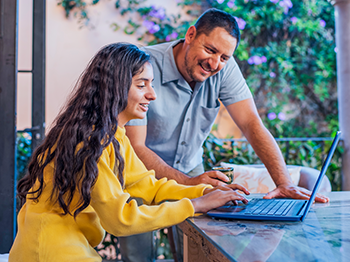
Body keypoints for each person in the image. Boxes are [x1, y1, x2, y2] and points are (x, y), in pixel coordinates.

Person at [8, 43, 250, 262]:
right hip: (49, 255)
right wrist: (195, 205)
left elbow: (149, 185)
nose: (152, 94)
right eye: (141, 85)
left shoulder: (113, 135)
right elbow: (121, 218)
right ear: (115, 86)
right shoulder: (92, 141)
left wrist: (207, 192)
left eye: (151, 84)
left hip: (67, 250)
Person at [125, 8, 330, 262]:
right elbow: (136, 147)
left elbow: (252, 124)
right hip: (140, 173)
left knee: (194, 252)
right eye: (210, 50)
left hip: (191, 169)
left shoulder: (224, 68)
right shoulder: (146, 66)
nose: (215, 64)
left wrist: (285, 183)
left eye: (223, 57)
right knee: (138, 256)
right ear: (191, 35)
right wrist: (190, 184)